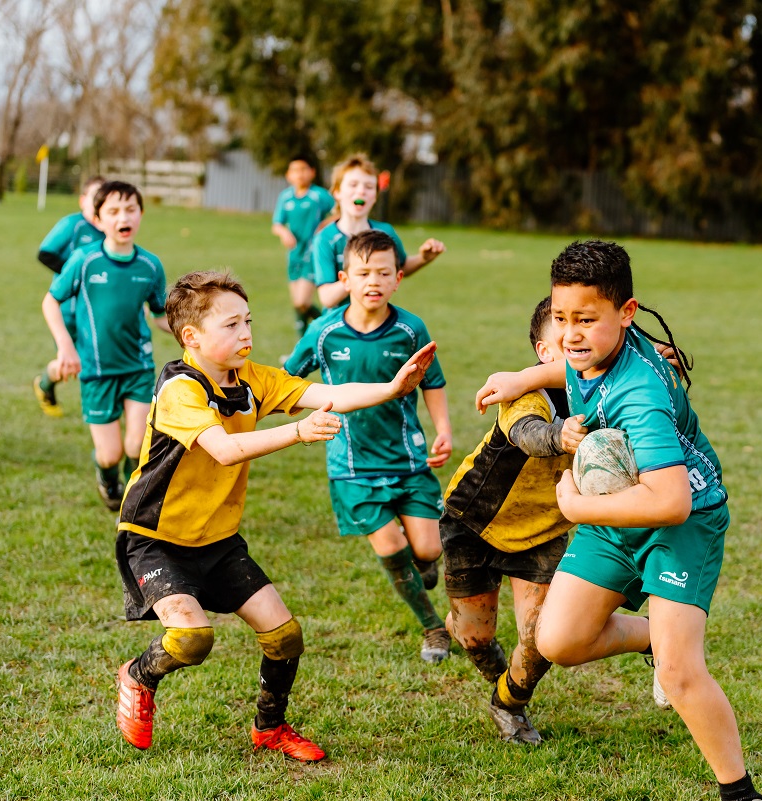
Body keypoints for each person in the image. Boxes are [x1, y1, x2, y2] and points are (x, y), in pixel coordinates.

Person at [474, 240, 762, 801]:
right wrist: (523, 377)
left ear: (626, 312)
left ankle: (739, 791)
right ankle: (652, 639)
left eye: (585, 319)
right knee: (559, 641)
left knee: (681, 675)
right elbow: (577, 361)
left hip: (682, 524)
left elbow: (671, 501)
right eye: (561, 318)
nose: (570, 334)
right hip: (617, 511)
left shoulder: (641, 397)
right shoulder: (600, 346)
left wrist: (577, 507)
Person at [114, 269, 437, 761]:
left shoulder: (253, 379)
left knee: (285, 636)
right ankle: (138, 675)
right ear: (191, 337)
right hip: (156, 538)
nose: (245, 333)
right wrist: (298, 434)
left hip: (217, 539)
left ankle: (270, 727)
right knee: (192, 639)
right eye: (231, 326)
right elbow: (223, 450)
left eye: (248, 321)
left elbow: (325, 394)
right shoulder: (181, 389)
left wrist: (393, 388)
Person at [287, 229, 453, 664]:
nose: (373, 281)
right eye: (363, 273)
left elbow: (432, 381)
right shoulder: (323, 332)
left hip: (408, 459)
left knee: (430, 549)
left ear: (399, 277)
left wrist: (443, 429)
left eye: (383, 272)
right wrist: (297, 411)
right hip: (351, 467)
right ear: (344, 278)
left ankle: (425, 562)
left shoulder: (409, 329)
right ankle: (433, 627)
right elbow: (286, 379)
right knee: (393, 550)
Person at [441, 297, 586, 744]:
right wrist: (558, 437)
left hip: (543, 533)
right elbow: (528, 434)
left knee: (542, 639)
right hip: (475, 523)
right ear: (544, 353)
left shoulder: (611, 391)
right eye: (565, 340)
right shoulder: (524, 392)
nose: (579, 346)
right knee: (473, 638)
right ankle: (469, 637)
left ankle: (508, 705)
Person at [41, 180, 170, 511]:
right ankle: (107, 476)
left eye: (130, 209)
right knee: (110, 453)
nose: (122, 217)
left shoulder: (151, 265)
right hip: (97, 371)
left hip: (138, 368)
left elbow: (159, 315)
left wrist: (191, 333)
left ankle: (135, 504)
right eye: (112, 211)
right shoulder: (84, 260)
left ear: (140, 214)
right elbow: (50, 302)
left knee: (137, 445)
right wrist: (65, 347)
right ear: (98, 220)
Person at [310, 153, 445, 309]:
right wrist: (360, 275)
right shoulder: (325, 238)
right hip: (339, 327)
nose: (361, 192)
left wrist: (423, 258)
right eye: (353, 185)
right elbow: (327, 298)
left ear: (375, 196)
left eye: (368, 187)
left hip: (377, 323)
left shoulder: (385, 232)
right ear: (337, 192)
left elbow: (401, 267)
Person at [33, 175, 105, 416]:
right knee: (73, 364)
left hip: (96, 309)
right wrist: (76, 276)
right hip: (67, 309)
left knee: (94, 360)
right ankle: (45, 383)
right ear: (82, 200)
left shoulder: (111, 231)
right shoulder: (72, 225)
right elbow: (45, 253)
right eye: (95, 197)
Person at [271, 155, 335, 338]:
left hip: (313, 255)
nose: (299, 174)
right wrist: (284, 232)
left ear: (312, 172)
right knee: (298, 304)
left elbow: (339, 212)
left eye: (303, 169)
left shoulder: (319, 195)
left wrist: (324, 225)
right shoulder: (286, 197)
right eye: (295, 170)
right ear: (288, 175)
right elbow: (276, 224)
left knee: (302, 302)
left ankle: (328, 327)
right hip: (294, 255)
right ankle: (309, 342)